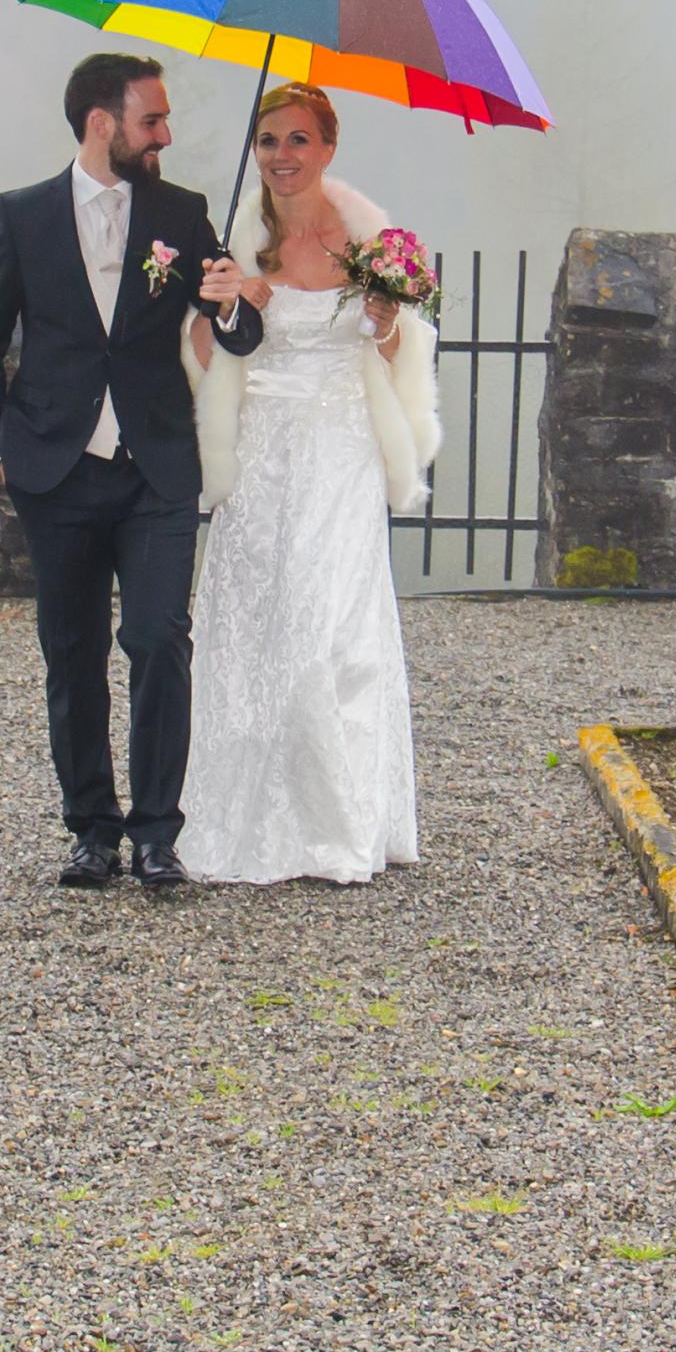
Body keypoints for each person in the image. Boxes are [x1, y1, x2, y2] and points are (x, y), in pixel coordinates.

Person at [0, 52, 265, 889]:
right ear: (103, 123)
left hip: (155, 469)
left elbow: (239, 335)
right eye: (151, 119)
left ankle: (158, 833)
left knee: (160, 638)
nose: (165, 134)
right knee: (73, 652)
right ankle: (91, 829)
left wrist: (229, 300)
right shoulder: (22, 216)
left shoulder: (182, 212)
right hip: (54, 474)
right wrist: (2, 447)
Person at [175, 81, 439, 885]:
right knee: (255, 615)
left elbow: (401, 354)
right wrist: (224, 305)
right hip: (261, 450)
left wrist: (387, 325)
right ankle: (244, 814)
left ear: (327, 147)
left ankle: (339, 819)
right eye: (268, 140)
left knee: (330, 620)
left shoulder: (367, 243)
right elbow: (202, 356)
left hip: (340, 449)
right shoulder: (237, 240)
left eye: (297, 139)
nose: (281, 155)